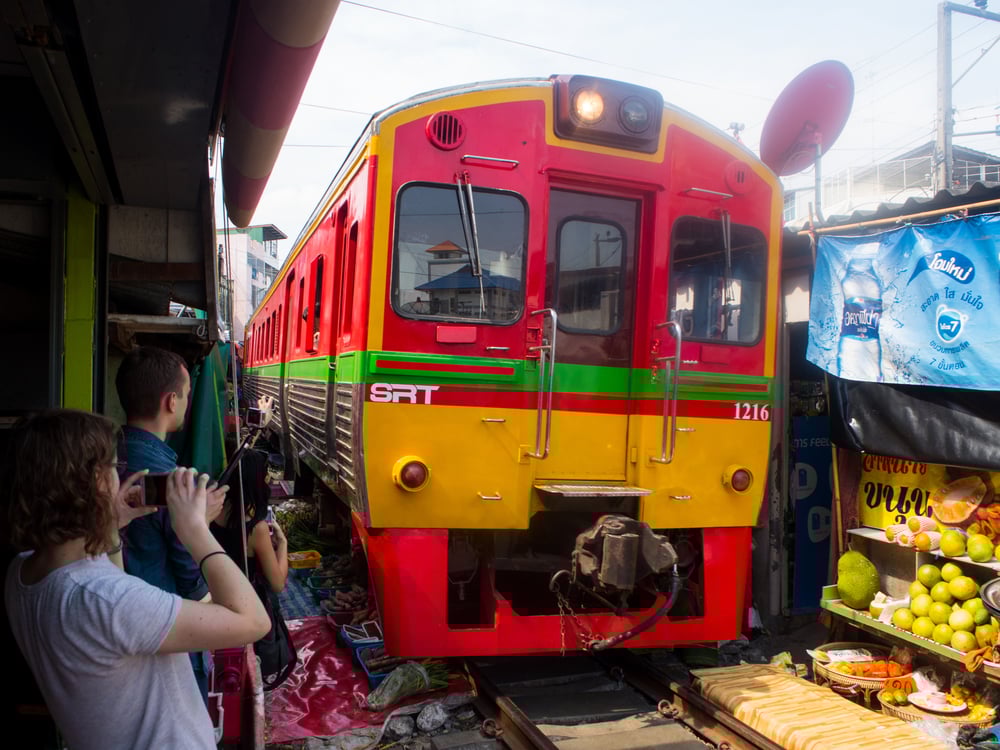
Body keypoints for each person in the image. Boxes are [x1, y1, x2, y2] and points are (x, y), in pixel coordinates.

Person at [4, 409, 270, 750]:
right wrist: (194, 530)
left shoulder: (23, 572)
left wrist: (109, 526)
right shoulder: (106, 600)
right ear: (93, 483)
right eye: (114, 469)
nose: (120, 478)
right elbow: (251, 620)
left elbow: (106, 597)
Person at [115, 345, 225, 703]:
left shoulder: (103, 459)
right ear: (171, 402)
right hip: (164, 625)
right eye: (188, 393)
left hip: (115, 618)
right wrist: (199, 526)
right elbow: (189, 576)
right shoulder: (173, 480)